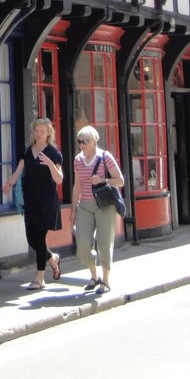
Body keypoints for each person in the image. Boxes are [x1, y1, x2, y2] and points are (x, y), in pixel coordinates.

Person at [2, 117, 63, 290]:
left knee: (40, 238)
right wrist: (9, 183)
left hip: (46, 200)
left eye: (42, 131)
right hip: (31, 199)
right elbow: (19, 171)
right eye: (36, 131)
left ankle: (40, 278)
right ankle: (52, 258)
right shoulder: (28, 151)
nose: (38, 134)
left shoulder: (53, 153)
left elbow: (59, 179)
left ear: (48, 133)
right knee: (32, 239)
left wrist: (50, 164)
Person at [71, 124, 125, 294]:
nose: (82, 145)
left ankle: (105, 281)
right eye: (79, 141)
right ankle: (94, 276)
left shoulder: (105, 157)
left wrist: (103, 180)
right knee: (82, 241)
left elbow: (120, 180)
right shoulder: (78, 160)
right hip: (84, 205)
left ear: (94, 141)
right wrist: (73, 210)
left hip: (104, 205)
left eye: (85, 141)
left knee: (104, 243)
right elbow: (77, 185)